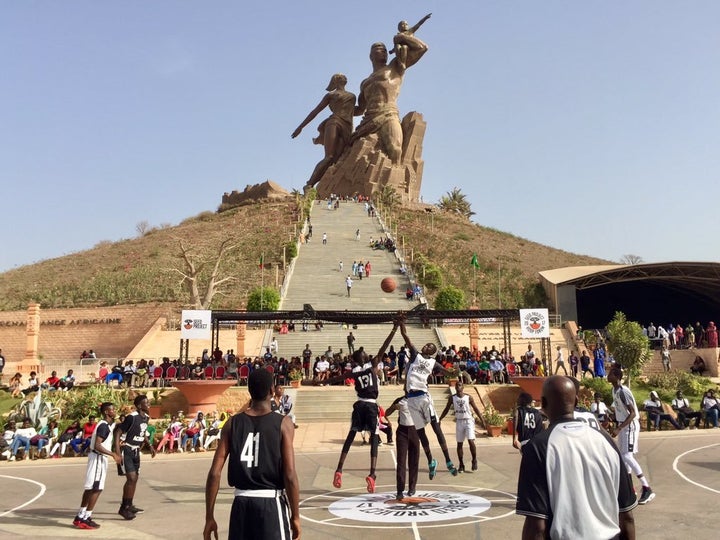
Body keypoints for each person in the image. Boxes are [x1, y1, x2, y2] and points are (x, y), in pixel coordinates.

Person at [516, 376, 637, 540]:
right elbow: (627, 516)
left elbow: (536, 526)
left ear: (543, 404)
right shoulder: (606, 441)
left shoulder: (538, 447)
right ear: (576, 401)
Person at [203, 368, 300, 540]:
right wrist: (295, 516)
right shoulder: (283, 424)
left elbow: (214, 473)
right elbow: (290, 475)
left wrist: (209, 516)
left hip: (241, 504)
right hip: (270, 503)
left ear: (249, 391)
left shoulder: (232, 424)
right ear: (272, 390)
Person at [332, 322, 398, 494]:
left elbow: (338, 378)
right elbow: (384, 345)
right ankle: (372, 474)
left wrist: (321, 381)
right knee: (374, 437)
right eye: (365, 353)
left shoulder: (354, 371)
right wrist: (394, 328)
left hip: (359, 405)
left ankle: (339, 469)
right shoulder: (373, 364)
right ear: (364, 357)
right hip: (370, 406)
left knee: (351, 435)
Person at [351, 33, 429, 164]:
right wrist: (340, 109)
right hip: (368, 120)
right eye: (378, 48)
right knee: (350, 152)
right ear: (371, 56)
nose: (383, 51)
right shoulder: (365, 82)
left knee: (395, 149)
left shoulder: (395, 67)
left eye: (385, 50)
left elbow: (422, 48)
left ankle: (392, 182)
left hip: (388, 114)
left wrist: (403, 38)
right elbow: (359, 109)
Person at [399, 319, 458, 478]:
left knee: (436, 428)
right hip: (411, 399)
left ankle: (448, 460)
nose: (426, 346)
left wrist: (455, 371)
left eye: (429, 346)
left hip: (424, 397)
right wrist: (401, 322)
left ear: (432, 351)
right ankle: (431, 460)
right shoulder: (415, 355)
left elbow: (448, 373)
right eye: (426, 345)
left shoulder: (434, 363)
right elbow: (405, 335)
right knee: (420, 433)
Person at [292, 73, 355, 189]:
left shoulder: (352, 96)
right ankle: (309, 184)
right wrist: (301, 127)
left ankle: (331, 187)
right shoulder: (331, 95)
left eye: (345, 76)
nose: (345, 78)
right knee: (329, 157)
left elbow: (355, 111)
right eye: (341, 77)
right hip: (334, 122)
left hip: (348, 126)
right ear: (335, 81)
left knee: (339, 159)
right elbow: (316, 111)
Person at [608, 366, 655, 504]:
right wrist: (611, 417)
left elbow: (633, 413)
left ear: (616, 377)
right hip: (623, 425)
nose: (607, 375)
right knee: (623, 457)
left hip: (630, 426)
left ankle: (647, 488)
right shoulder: (614, 390)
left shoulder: (623, 391)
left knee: (627, 456)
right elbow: (618, 409)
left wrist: (619, 428)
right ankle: (630, 490)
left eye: (610, 373)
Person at [73, 402, 122, 529]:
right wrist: (113, 454)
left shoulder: (105, 425)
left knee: (90, 488)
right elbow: (97, 445)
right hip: (98, 458)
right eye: (112, 410)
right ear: (106, 412)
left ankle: (80, 516)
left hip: (96, 458)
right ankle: (86, 518)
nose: (114, 411)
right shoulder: (104, 426)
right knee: (97, 488)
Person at [115, 394, 156, 520]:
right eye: (146, 402)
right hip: (126, 449)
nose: (148, 404)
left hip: (136, 451)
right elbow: (118, 432)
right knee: (131, 478)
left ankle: (129, 504)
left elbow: (143, 433)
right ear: (139, 406)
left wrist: (150, 446)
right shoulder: (131, 417)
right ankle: (123, 508)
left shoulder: (146, 417)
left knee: (135, 479)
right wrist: (117, 452)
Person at [438, 380, 483, 473]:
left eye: (460, 385)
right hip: (459, 421)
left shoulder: (468, 397)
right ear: (455, 388)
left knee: (471, 441)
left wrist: (482, 420)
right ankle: (461, 464)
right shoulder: (452, 398)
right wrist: (440, 419)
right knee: (459, 444)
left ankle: (474, 460)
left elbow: (475, 408)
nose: (458, 386)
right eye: (457, 385)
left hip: (468, 421)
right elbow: (446, 409)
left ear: (463, 387)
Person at [385, 395, 419, 500]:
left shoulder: (418, 399)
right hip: (402, 432)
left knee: (414, 460)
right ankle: (400, 490)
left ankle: (412, 487)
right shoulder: (400, 400)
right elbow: (386, 413)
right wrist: (394, 407)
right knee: (401, 461)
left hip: (415, 431)